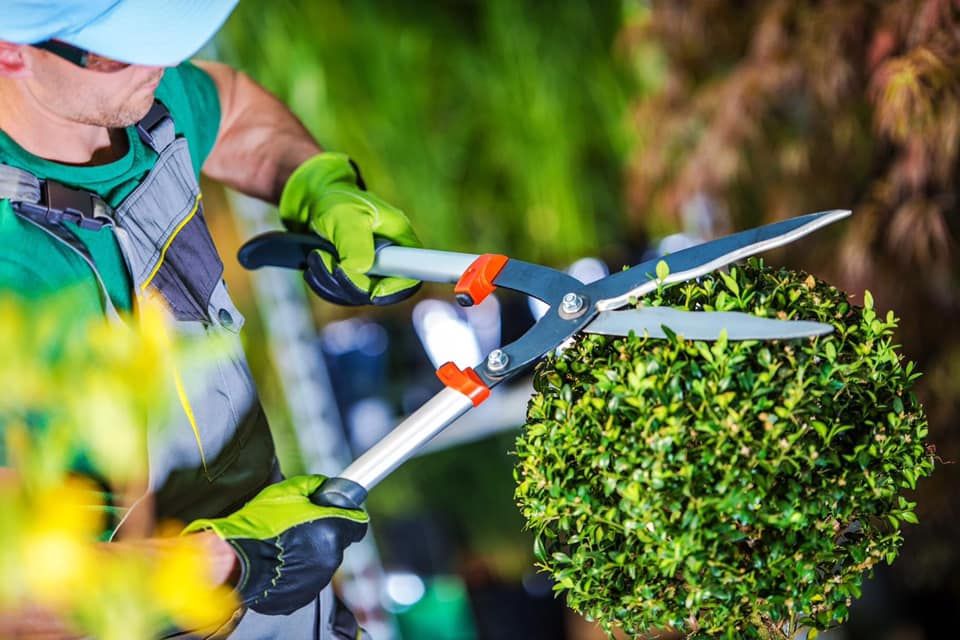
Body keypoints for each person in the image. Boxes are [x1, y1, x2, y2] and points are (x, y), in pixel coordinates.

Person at [0, 1, 422, 637]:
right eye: (122, 47)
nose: (161, 61)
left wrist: (316, 184)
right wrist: (222, 566)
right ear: (12, 51)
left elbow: (229, 105)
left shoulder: (136, 102)